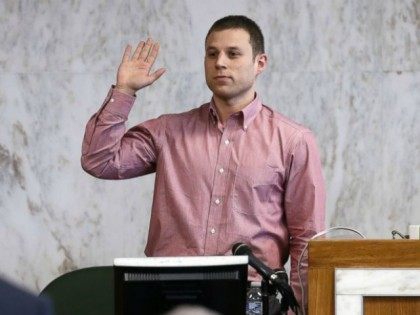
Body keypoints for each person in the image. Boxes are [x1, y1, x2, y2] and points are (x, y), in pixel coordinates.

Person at [81, 15, 325, 314]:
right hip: (168, 293)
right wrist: (124, 91)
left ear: (260, 63)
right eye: (212, 54)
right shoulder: (168, 131)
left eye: (233, 54)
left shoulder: (293, 140)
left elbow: (307, 238)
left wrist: (298, 308)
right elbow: (100, 161)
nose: (220, 62)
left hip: (253, 297)